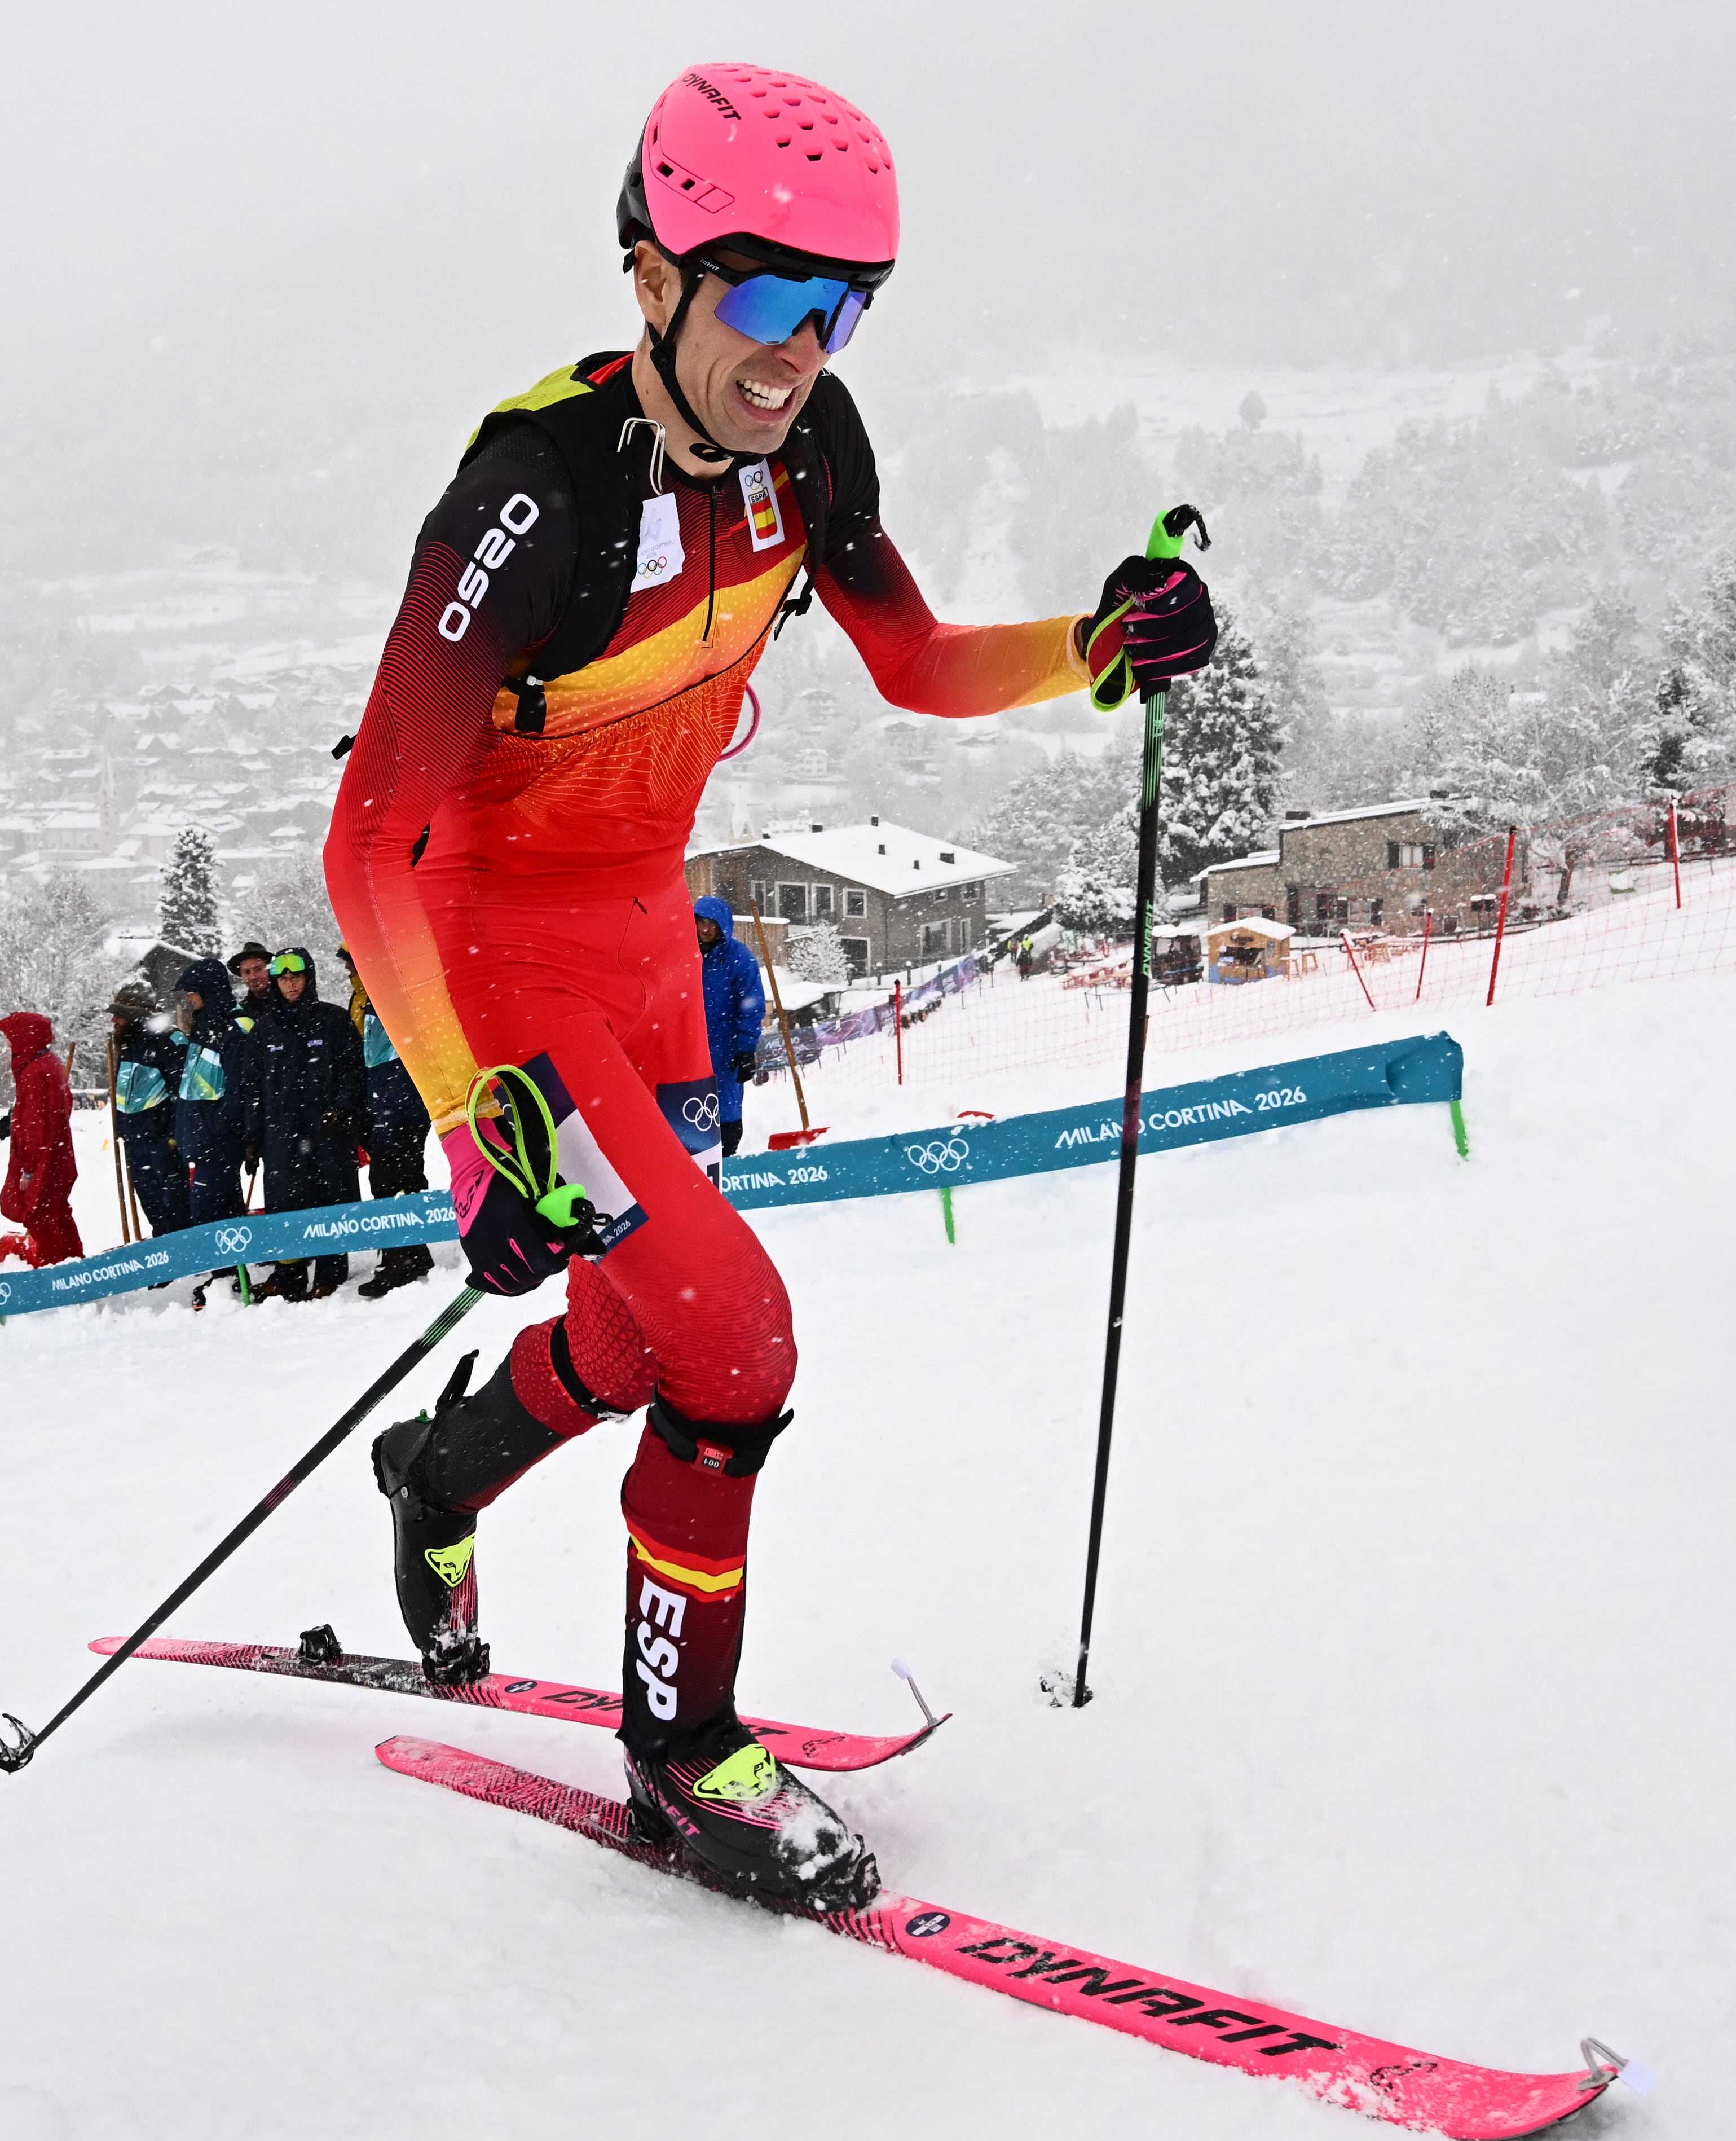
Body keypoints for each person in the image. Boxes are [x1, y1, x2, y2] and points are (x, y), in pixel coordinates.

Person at [329, 63, 1214, 1914]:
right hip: (499, 960)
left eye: (846, 306)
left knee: (657, 1335)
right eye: (767, 298)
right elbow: (372, 841)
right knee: (736, 1329)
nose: (802, 350)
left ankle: (441, 1472)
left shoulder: (812, 454)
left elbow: (917, 664)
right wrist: (466, 1117)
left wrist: (1096, 643)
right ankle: (683, 1750)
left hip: (651, 943)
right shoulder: (535, 494)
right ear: (652, 274)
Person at [244, 948, 365, 1301]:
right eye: (283, 979)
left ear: (308, 978)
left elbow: (353, 1072)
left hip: (327, 1132)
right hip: (281, 1135)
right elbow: (252, 1086)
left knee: (331, 1198)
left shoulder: (333, 1020)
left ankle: (330, 1272)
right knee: (286, 1204)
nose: (291, 984)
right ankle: (289, 1274)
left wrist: (341, 1111)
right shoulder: (264, 1029)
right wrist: (252, 1139)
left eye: (296, 977)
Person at [338, 947, 438, 1298]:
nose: (350, 968)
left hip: (403, 1102)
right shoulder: (360, 998)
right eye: (348, 963)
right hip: (379, 1103)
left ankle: (402, 1257)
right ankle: (413, 1252)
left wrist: (410, 1104)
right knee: (394, 1179)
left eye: (354, 961)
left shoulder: (393, 990)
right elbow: (360, 1056)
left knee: (396, 1179)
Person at [0, 1013, 83, 1268]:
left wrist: (30, 1169)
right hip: (58, 1156)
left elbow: (35, 1127)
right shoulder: (48, 1064)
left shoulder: (35, 1072)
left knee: (40, 1217)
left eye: (11, 1038)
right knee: (58, 1212)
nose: (8, 1044)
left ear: (24, 1038)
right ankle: (74, 1263)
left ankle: (53, 1272)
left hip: (45, 1161)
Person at [105, 983, 192, 1235]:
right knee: (151, 1201)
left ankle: (184, 1251)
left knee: (175, 1202)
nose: (114, 1020)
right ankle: (163, 1248)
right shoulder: (126, 1042)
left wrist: (175, 1135)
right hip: (135, 1138)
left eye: (119, 1014)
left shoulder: (168, 1038)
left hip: (162, 1139)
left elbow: (183, 1091)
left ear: (136, 1013)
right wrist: (122, 1127)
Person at [170, 957, 246, 1229]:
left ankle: (224, 1268)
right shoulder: (203, 1026)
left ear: (209, 991)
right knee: (224, 1208)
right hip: (204, 1138)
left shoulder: (234, 1028)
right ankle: (231, 1268)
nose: (189, 999)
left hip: (219, 1141)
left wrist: (220, 1125)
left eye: (192, 992)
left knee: (207, 1212)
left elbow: (240, 1087)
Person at [693, 896, 767, 1158]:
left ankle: (727, 1159)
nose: (706, 929)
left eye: (713, 924)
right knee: (689, 1106)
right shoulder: (683, 955)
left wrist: (746, 1048)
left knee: (727, 1107)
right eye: (701, 922)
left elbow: (753, 1005)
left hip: (726, 1045)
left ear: (723, 926)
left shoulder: (739, 959)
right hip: (689, 1043)